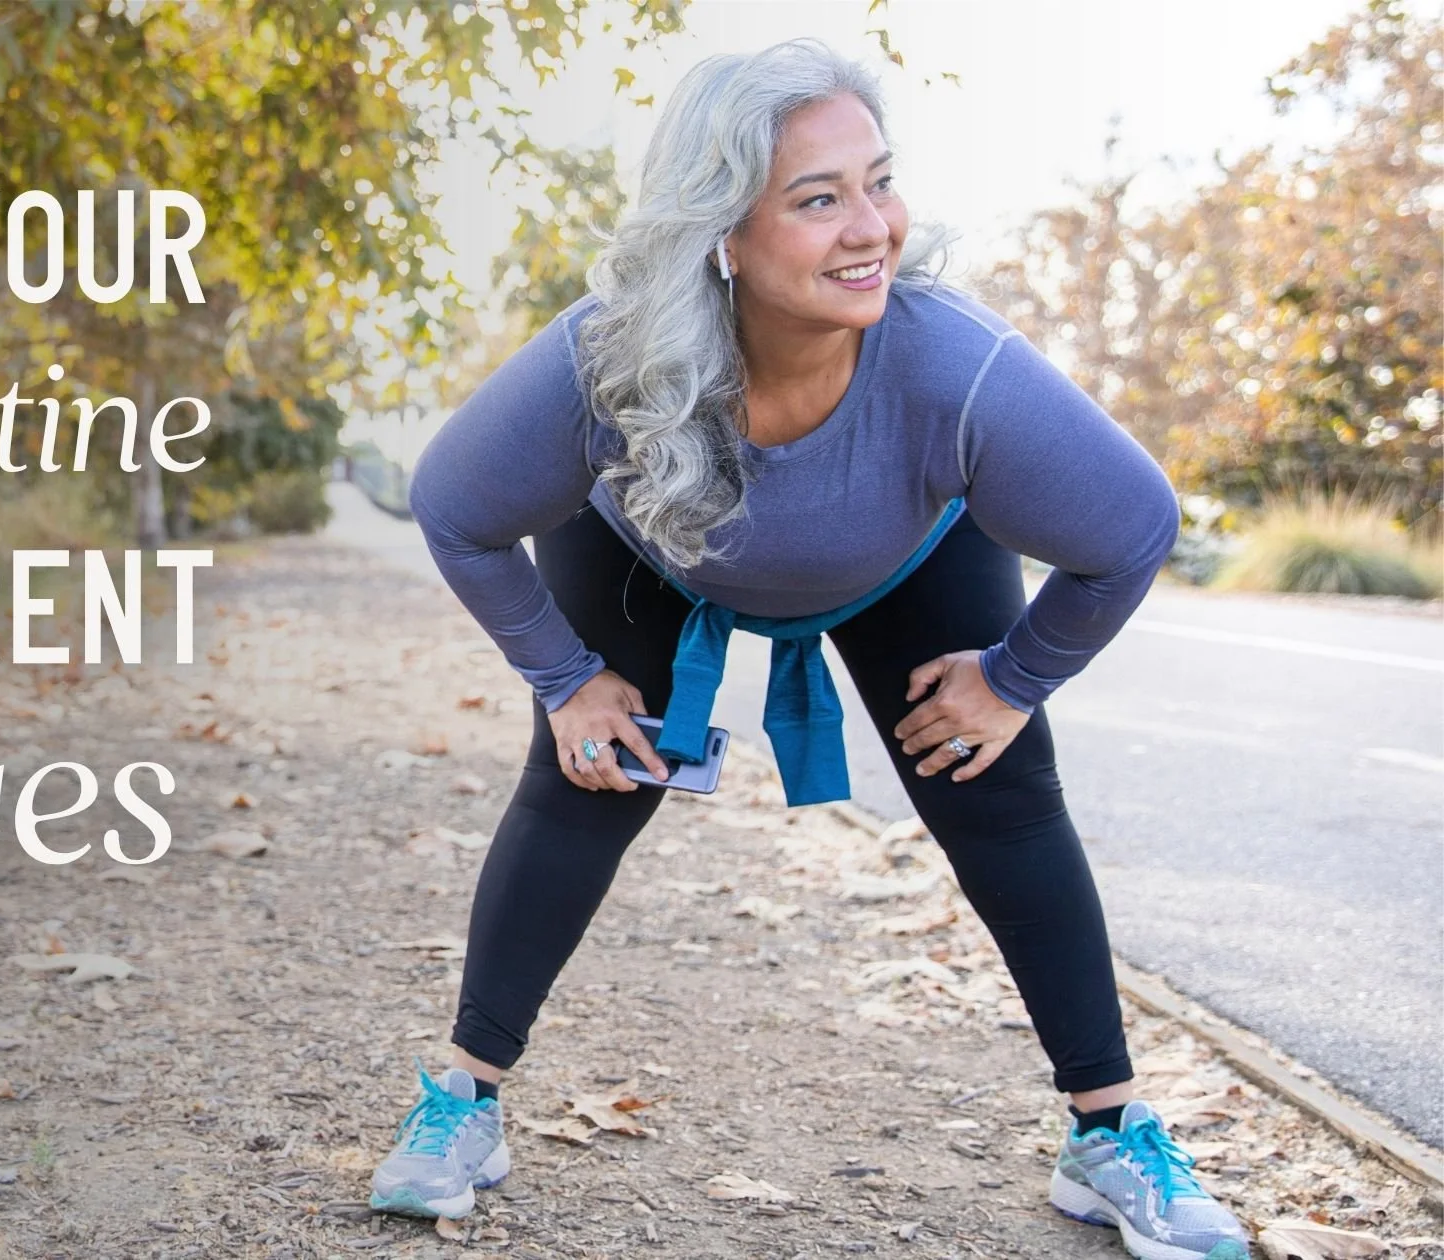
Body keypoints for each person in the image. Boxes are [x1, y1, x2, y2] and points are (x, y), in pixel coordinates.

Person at [368, 37, 1253, 1260]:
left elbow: (1133, 527)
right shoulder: (605, 357)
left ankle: (1108, 1138)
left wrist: (1012, 680)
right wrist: (566, 682)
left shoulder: (956, 368)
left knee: (997, 786)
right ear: (720, 234)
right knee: (586, 780)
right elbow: (456, 513)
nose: (869, 227)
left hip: (903, 552)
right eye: (817, 198)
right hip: (650, 548)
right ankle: (460, 1105)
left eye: (876, 183)